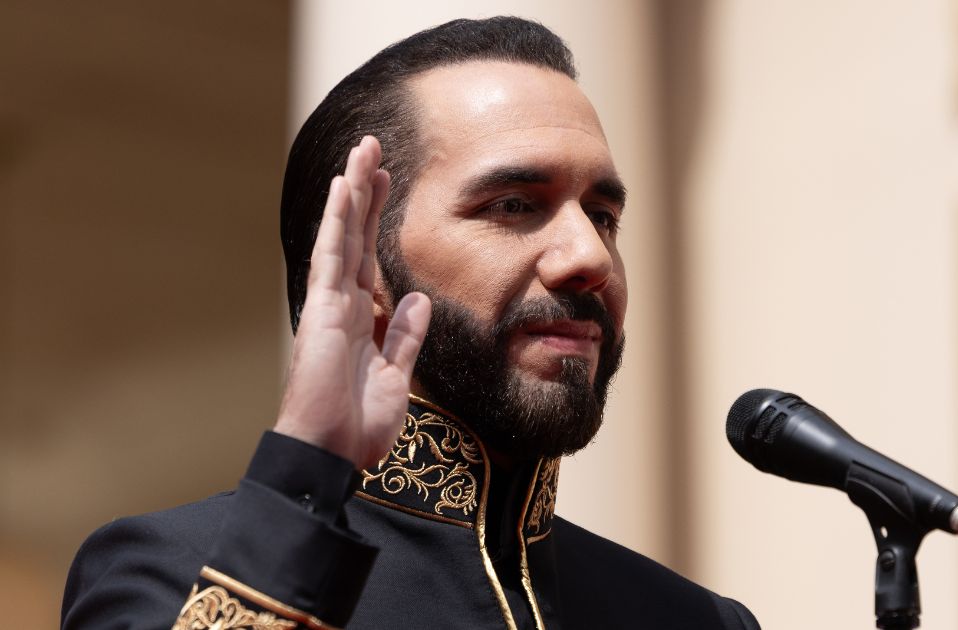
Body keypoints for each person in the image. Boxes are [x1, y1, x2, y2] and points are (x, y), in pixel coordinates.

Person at [62, 17, 759, 630]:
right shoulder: (175, 569)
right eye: (514, 204)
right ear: (366, 267)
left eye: (603, 217)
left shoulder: (697, 618)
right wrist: (303, 482)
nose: (589, 257)